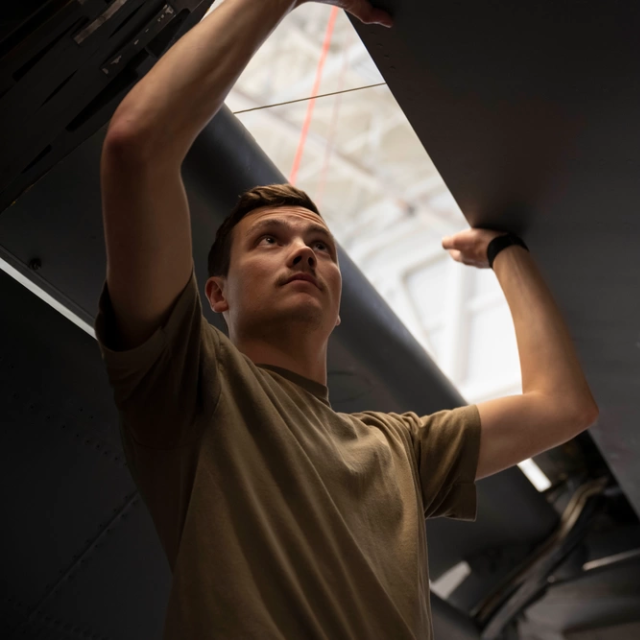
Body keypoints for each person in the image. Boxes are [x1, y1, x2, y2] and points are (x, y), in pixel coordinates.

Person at [95, 0, 598, 638]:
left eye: (321, 246)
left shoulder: (398, 450)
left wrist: (504, 253)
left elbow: (563, 407)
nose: (303, 249)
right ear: (216, 294)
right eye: (269, 241)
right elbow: (138, 145)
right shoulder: (188, 380)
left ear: (337, 305)